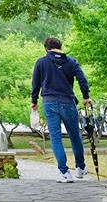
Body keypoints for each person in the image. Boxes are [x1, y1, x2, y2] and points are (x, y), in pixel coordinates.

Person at [31, 37, 92, 184]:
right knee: (75, 135)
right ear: (60, 47)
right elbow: (82, 79)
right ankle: (80, 167)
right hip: (68, 102)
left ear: (46, 48)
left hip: (49, 102)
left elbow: (36, 83)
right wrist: (86, 97)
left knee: (56, 137)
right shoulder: (71, 61)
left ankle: (64, 172)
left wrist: (34, 101)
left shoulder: (41, 62)